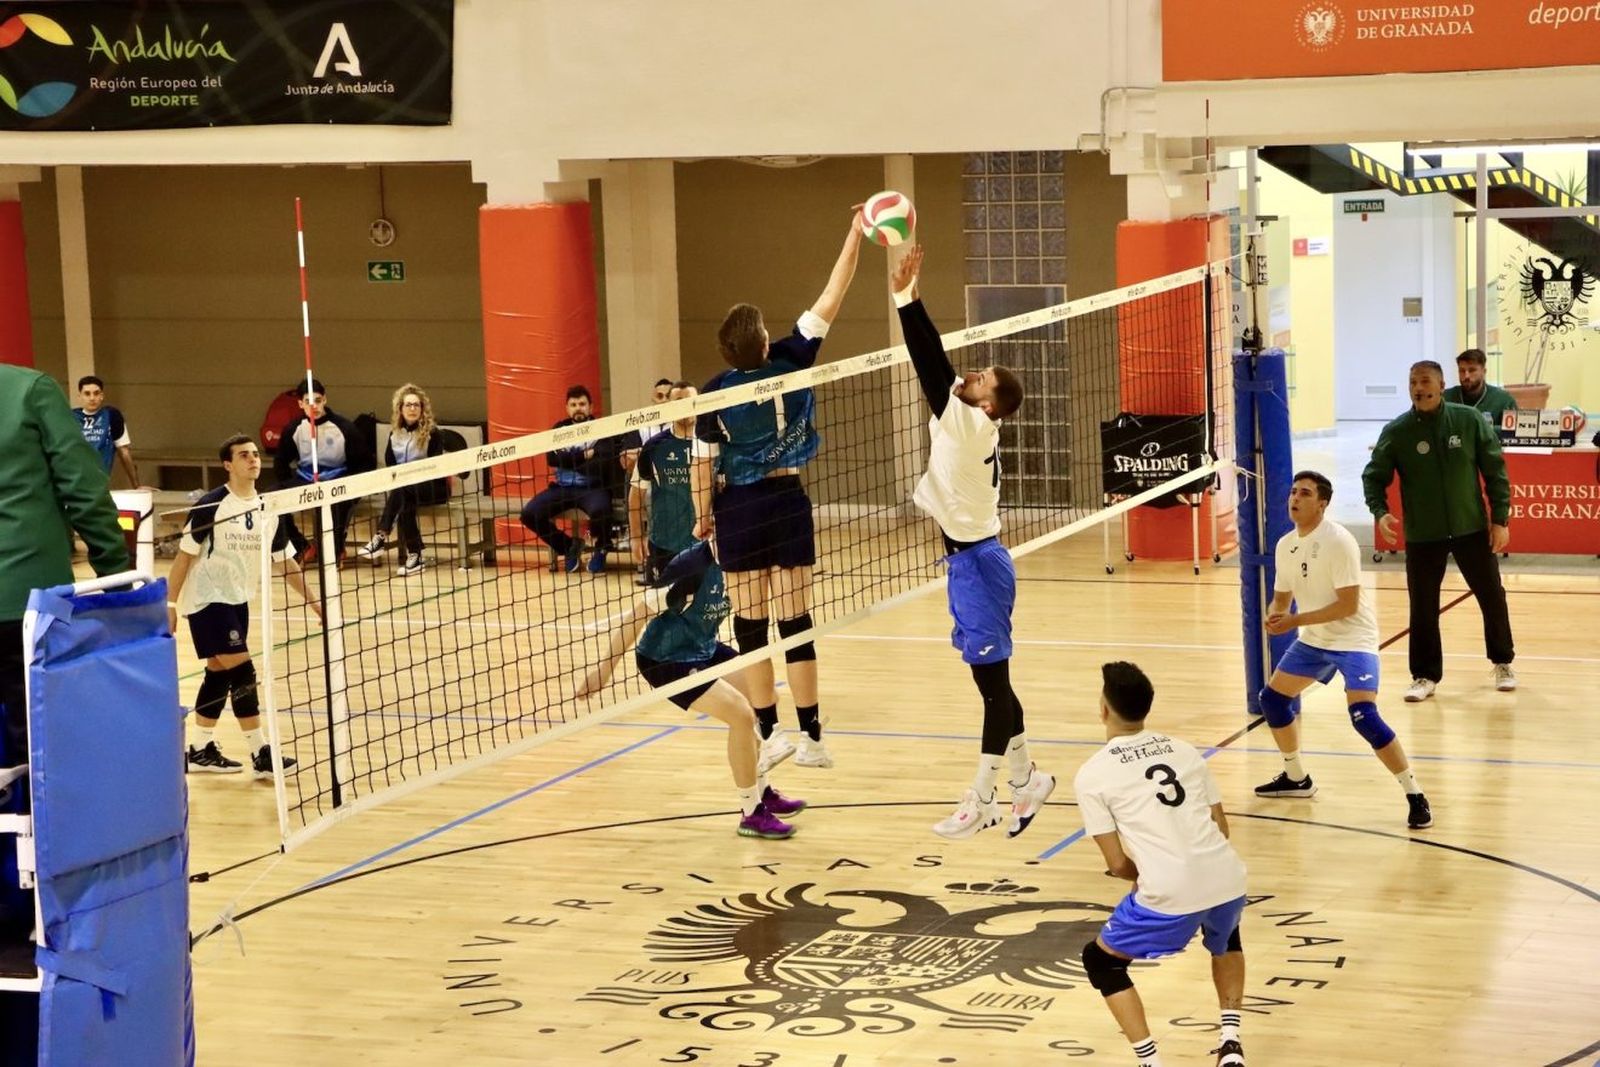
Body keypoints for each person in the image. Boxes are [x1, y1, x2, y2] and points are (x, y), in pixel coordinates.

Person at [692, 212, 863, 772]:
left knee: (751, 627)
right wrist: (855, 231)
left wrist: (701, 518)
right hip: (787, 502)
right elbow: (834, 292)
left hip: (739, 509)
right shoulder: (793, 359)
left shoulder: (714, 395)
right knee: (797, 623)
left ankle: (770, 736)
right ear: (764, 340)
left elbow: (702, 467)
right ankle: (812, 738)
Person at [889, 245, 1049, 840]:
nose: (968, 375)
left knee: (992, 687)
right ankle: (1027, 778)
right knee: (997, 682)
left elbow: (928, 360)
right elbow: (940, 364)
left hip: (979, 565)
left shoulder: (966, 421)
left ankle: (983, 797)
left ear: (987, 402)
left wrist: (906, 293)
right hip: (973, 561)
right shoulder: (975, 417)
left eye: (978, 378)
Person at [1073, 662, 1248, 1067]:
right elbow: (1221, 828)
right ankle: (1231, 1044)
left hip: (1171, 890)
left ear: (1103, 709)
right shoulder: (1185, 750)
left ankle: (1149, 1061)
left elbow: (1117, 864)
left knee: (1100, 961)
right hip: (1228, 875)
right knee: (1226, 936)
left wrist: (1147, 875)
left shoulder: (1093, 774)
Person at [578, 540, 806, 839]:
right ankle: (750, 813)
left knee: (764, 697)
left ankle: (761, 791)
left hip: (703, 647)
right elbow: (638, 614)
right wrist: (603, 671)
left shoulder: (747, 560)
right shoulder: (690, 566)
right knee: (740, 715)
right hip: (665, 658)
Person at [1254, 471, 1433, 830]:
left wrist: (1293, 621)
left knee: (1363, 715)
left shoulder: (1339, 541)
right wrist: (1275, 616)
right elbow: (1282, 598)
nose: (1295, 498)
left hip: (1354, 640)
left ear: (1322, 503)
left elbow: (1347, 606)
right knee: (1272, 700)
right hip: (1315, 640)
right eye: (1292, 492)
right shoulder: (1286, 544)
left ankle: (1415, 794)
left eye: (1304, 493)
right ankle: (1296, 778)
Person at [0, 366, 128, 793]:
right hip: (29, 605)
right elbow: (83, 489)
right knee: (42, 754)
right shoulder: (30, 390)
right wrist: (117, 580)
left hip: (27, 603)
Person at [1362, 360, 1515, 701]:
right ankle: (1424, 676)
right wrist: (1380, 512)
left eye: (1426, 381)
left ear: (1441, 385)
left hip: (1470, 527)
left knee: (1492, 595)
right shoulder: (1398, 431)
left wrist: (1500, 519)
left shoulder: (1468, 420)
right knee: (1423, 606)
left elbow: (1495, 470)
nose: (1419, 387)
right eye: (1413, 381)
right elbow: (1373, 476)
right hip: (1423, 534)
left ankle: (1502, 662)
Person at [168, 434, 320, 778]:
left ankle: (199, 749)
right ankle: (260, 752)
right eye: (244, 455)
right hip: (208, 599)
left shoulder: (267, 509)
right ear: (228, 464)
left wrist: (314, 601)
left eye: (254, 454)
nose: (253, 460)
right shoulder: (211, 504)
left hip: (239, 599)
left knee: (218, 675)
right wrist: (171, 603)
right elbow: (183, 557)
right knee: (243, 673)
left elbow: (285, 562)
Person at [520, 384, 633, 574]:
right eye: (573, 404)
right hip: (561, 488)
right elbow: (553, 459)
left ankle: (602, 547)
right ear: (567, 408)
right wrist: (585, 455)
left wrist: (570, 460)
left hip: (592, 488)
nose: (578, 408)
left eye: (582, 404)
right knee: (529, 514)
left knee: (601, 511)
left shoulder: (601, 429)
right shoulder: (559, 429)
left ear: (591, 406)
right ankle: (569, 546)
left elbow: (602, 460)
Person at [274, 378, 376, 563]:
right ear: (300, 404)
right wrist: (287, 484)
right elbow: (280, 461)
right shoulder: (293, 428)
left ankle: (336, 550)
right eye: (308, 402)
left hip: (338, 479)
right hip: (305, 479)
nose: (314, 406)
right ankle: (302, 546)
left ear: (325, 400)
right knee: (272, 499)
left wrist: (352, 487)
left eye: (318, 400)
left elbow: (366, 462)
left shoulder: (344, 428)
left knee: (335, 503)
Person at [356, 383, 448, 577]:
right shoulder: (394, 435)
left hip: (434, 487)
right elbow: (391, 465)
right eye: (408, 405)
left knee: (403, 491)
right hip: (406, 490)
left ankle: (381, 537)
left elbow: (436, 468)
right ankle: (415, 556)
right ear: (400, 409)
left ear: (422, 409)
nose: (412, 409)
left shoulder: (433, 433)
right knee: (405, 498)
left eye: (416, 405)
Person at [630, 382, 706, 586]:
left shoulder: (710, 441)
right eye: (679, 401)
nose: (685, 405)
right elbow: (635, 495)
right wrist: (637, 537)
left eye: (690, 400)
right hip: (664, 545)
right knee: (666, 607)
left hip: (705, 544)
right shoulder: (654, 447)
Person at [72, 375, 140, 487]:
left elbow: (124, 452)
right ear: (80, 396)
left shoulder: (112, 416)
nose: (92, 398)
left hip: (100, 482)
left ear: (102, 396)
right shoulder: (71, 417)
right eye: (87, 393)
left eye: (96, 393)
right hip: (74, 482)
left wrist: (136, 486)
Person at [1442, 348, 1517, 431]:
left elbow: (1513, 432)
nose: (1466, 376)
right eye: (1462, 371)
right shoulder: (1445, 398)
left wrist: (1479, 428)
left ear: (1484, 371)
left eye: (1472, 370)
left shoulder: (1504, 400)